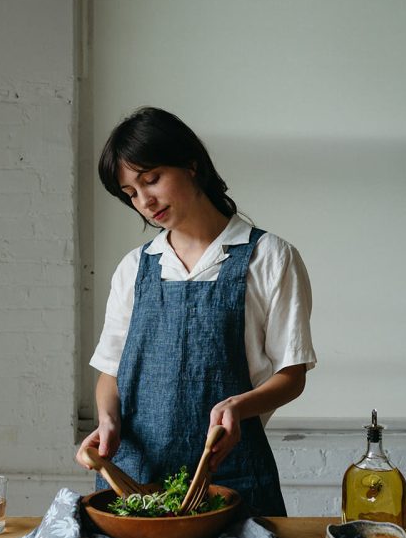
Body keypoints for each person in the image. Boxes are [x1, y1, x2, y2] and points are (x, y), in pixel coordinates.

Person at [76, 107, 316, 516]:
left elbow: (291, 376)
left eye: (151, 179)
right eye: (131, 193)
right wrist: (107, 420)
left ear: (191, 163)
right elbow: (111, 371)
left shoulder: (270, 258)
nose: (145, 201)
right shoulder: (135, 267)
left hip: (232, 476)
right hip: (137, 478)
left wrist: (238, 406)